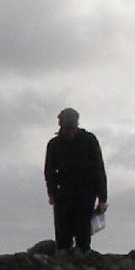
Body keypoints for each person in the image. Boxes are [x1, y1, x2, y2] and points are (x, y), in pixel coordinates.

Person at [43, 107, 108, 251]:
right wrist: (52, 192)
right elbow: (49, 171)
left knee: (83, 236)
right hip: (63, 194)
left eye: (72, 128)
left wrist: (102, 198)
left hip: (86, 193)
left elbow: (98, 169)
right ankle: (64, 265)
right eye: (67, 129)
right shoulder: (54, 145)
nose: (70, 132)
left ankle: (81, 264)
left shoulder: (89, 140)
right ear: (61, 126)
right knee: (62, 237)